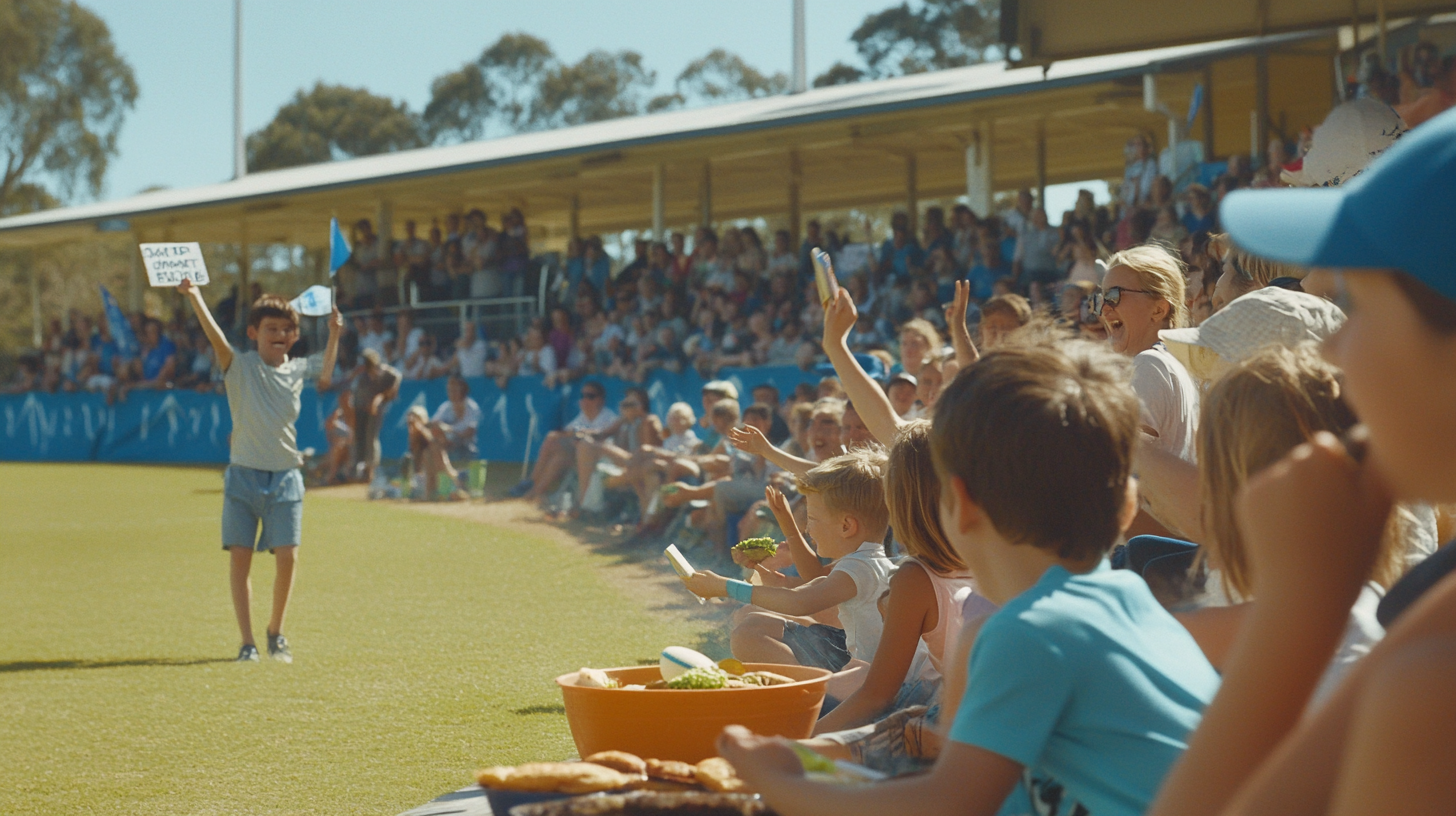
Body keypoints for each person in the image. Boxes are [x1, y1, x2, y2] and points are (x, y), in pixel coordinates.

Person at [720, 339, 1221, 816]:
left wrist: (780, 785)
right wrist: (813, 752)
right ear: (1128, 506)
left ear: (956, 504)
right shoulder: (1141, 607)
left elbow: (950, 803)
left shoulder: (1024, 634)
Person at [1147, 105, 1456, 816]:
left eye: (1355, 305)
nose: (1335, 351)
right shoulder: (1437, 608)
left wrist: (1299, 606)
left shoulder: (1435, 683)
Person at [177, 278, 343, 664]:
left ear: (296, 335)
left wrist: (334, 333)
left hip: (286, 476)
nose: (280, 335)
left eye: (287, 329)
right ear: (253, 333)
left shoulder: (299, 369)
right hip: (243, 477)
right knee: (241, 558)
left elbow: (327, 371)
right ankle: (247, 641)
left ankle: (276, 632)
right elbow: (215, 336)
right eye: (271, 328)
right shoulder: (239, 365)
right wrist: (195, 296)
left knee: (288, 557)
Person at [685, 448, 893, 673]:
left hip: (864, 670)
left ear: (846, 526)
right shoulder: (865, 561)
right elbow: (813, 578)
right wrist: (787, 530)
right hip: (850, 651)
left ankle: (814, 690)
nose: (808, 527)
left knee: (746, 637)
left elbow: (800, 602)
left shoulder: (859, 568)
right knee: (753, 623)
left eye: (812, 519)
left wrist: (725, 587)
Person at [1094, 244, 1199, 464]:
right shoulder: (1173, 362)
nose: (1103, 309)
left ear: (1158, 309)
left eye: (1114, 295)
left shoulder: (1150, 365)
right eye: (1100, 298)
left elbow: (1127, 468)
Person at [512, 381, 617, 501]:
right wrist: (574, 436)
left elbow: (603, 443)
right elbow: (568, 432)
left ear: (600, 400)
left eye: (590, 396)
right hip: (579, 455)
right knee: (554, 444)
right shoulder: (583, 415)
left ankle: (533, 488)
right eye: (583, 396)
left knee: (560, 452)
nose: (585, 400)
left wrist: (578, 435)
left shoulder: (609, 418)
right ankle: (533, 486)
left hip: (598, 459)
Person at [352, 348, 401, 485]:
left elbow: (397, 376)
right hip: (364, 407)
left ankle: (371, 470)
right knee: (361, 437)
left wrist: (388, 393)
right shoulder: (363, 376)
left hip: (378, 407)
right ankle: (363, 468)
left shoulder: (384, 372)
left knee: (371, 437)